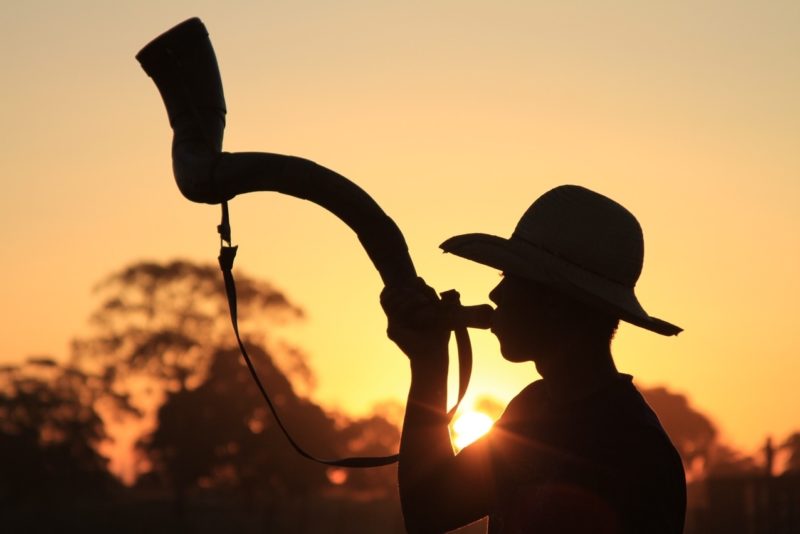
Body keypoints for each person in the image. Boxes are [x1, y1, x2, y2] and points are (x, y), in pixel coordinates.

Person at [381, 185, 686, 533]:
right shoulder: (532, 408)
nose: (496, 294)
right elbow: (430, 508)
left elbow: (428, 510)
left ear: (561, 303)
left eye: (514, 279)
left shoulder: (634, 448)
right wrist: (428, 364)